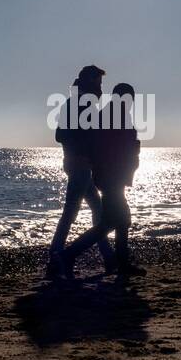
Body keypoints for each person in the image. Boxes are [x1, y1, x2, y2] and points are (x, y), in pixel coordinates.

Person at [62, 82, 145, 278]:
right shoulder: (112, 115)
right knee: (112, 222)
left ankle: (121, 263)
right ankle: (70, 254)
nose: (131, 102)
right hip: (111, 178)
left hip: (113, 177)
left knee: (118, 221)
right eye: (129, 98)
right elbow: (110, 149)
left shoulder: (115, 114)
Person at [47, 65, 115, 278]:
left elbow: (63, 135)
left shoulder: (77, 103)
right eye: (99, 83)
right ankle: (56, 258)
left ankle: (108, 257)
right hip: (79, 165)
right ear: (91, 82)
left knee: (95, 210)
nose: (101, 88)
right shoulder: (79, 104)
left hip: (79, 164)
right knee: (72, 211)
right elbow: (62, 135)